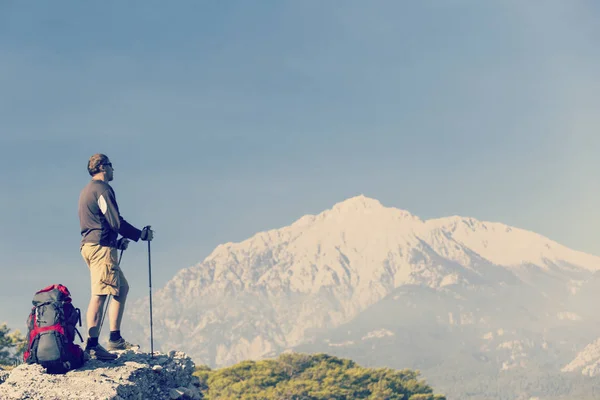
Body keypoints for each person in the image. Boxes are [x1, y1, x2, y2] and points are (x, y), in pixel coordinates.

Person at [78, 154, 154, 360]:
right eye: (111, 166)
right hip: (100, 248)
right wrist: (140, 235)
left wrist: (115, 241)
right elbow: (115, 221)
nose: (113, 170)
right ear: (102, 167)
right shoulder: (102, 189)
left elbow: (99, 222)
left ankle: (115, 338)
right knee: (100, 293)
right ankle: (92, 345)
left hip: (94, 245)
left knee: (121, 288)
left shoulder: (87, 191)